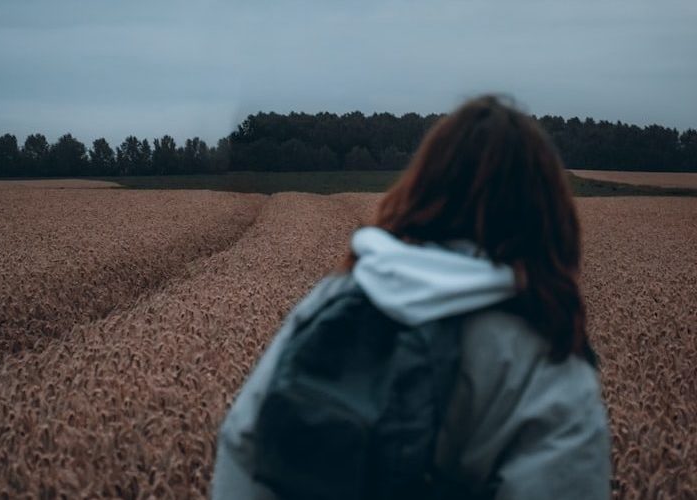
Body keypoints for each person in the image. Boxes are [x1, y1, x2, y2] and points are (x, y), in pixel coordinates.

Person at [212, 95, 611, 499]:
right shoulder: (548, 351)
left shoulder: (342, 294)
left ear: (423, 186)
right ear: (547, 212)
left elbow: (245, 443)